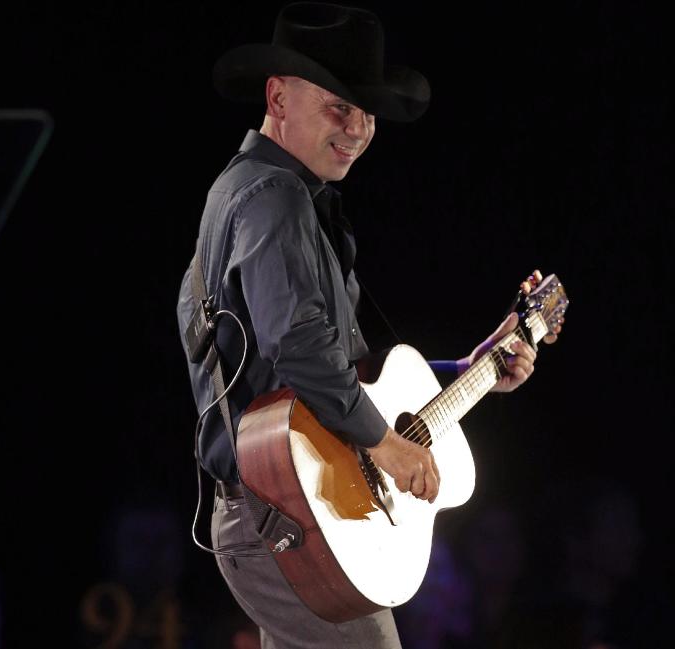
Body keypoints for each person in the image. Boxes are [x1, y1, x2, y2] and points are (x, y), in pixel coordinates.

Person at [175, 3, 562, 649]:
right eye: (337, 107)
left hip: (288, 510)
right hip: (286, 515)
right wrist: (384, 443)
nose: (356, 129)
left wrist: (469, 373)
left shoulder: (271, 193)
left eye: (367, 112)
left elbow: (331, 375)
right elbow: (298, 350)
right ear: (278, 96)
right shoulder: (272, 196)